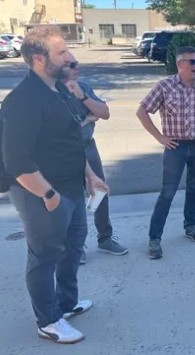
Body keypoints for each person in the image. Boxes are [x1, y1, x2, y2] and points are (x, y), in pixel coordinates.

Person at [2, 26, 109, 344]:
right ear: (38, 58)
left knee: (73, 247)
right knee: (44, 255)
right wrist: (47, 195)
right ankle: (48, 321)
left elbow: (72, 138)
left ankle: (65, 304)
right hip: (40, 193)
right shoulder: (23, 100)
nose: (70, 57)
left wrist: (89, 174)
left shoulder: (59, 90)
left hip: (73, 185)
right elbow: (16, 163)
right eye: (62, 52)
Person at [137, 46, 195, 260]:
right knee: (167, 193)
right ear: (179, 64)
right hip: (175, 148)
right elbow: (142, 111)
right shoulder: (165, 87)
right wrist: (160, 138)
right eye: (192, 62)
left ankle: (191, 227)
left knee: (194, 189)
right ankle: (154, 238)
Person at [62, 53, 128, 263]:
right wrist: (87, 118)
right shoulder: (52, 92)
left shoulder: (83, 86)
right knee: (72, 199)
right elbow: (61, 130)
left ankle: (105, 238)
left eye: (77, 63)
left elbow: (104, 112)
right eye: (72, 65)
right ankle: (76, 246)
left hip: (88, 148)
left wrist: (83, 97)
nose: (76, 68)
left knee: (99, 193)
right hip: (64, 152)